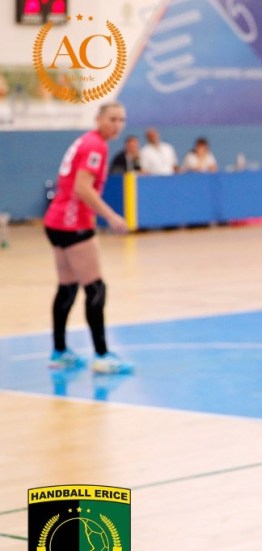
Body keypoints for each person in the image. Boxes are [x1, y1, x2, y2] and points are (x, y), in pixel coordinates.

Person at [43, 101, 135, 375]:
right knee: (95, 288)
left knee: (68, 287)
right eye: (112, 119)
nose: (117, 125)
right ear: (99, 119)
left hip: (56, 220)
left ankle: (60, 352)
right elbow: (83, 188)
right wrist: (111, 216)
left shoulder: (87, 141)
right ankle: (102, 356)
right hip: (74, 224)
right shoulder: (96, 146)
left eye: (121, 120)